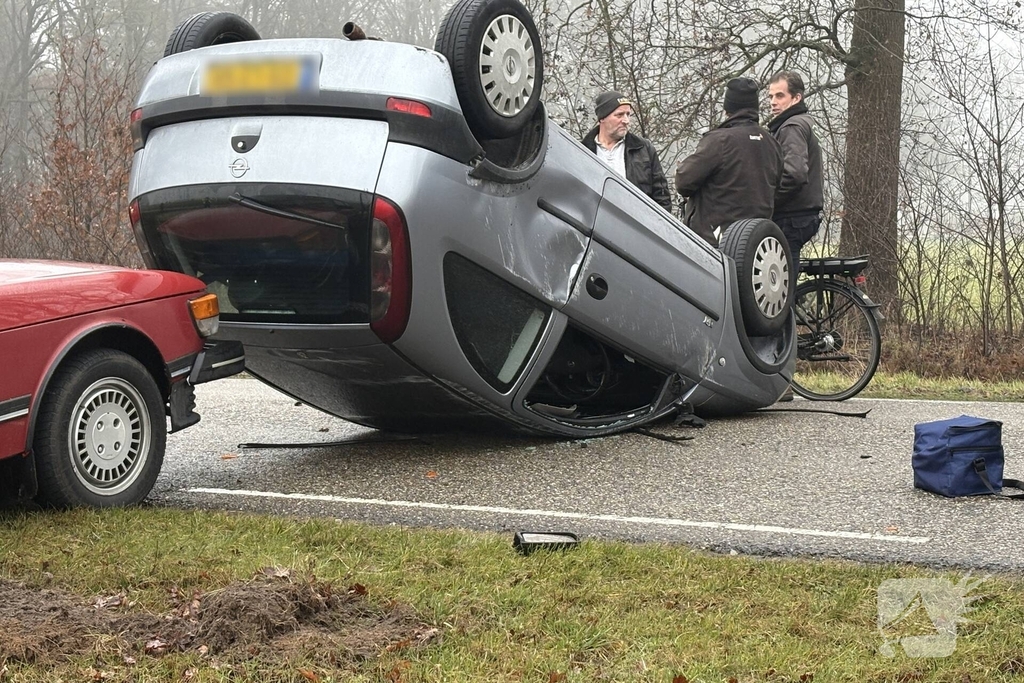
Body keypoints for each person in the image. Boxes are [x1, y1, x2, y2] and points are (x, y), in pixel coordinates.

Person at [674, 78, 784, 246]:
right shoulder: (772, 144)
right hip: (755, 241)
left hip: (715, 241)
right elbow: (777, 188)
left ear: (727, 108)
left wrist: (682, 168)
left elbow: (684, 182)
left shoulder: (719, 141)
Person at [582, 91, 673, 213]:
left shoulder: (643, 149)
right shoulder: (583, 151)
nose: (626, 120)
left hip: (636, 221)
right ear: (602, 118)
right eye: (619, 115)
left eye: (628, 114)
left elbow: (662, 198)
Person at [766, 71, 824, 264]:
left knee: (781, 279)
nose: (773, 102)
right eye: (771, 96)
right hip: (804, 214)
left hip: (792, 216)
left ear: (796, 98)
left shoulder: (792, 127)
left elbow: (795, 174)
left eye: (780, 96)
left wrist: (768, 200)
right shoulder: (805, 122)